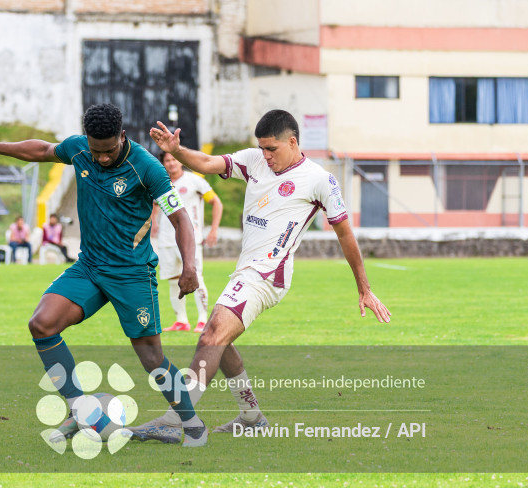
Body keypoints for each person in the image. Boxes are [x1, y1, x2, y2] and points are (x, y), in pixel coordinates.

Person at [129, 109, 391, 444]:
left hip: (268, 275)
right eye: (262, 149)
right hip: (246, 269)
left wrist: (364, 289)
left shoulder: (319, 179)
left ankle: (174, 419)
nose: (266, 156)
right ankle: (251, 416)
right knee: (220, 341)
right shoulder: (254, 160)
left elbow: (345, 235)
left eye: (272, 149)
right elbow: (209, 163)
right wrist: (177, 150)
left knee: (211, 335)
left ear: (292, 142)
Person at [0, 103, 208, 447]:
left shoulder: (147, 169)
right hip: (89, 267)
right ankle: (79, 407)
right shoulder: (79, 149)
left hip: (131, 273)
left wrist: (189, 266)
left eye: (109, 151)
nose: (101, 158)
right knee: (41, 324)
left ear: (122, 136)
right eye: (95, 151)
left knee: (151, 358)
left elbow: (180, 219)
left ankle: (193, 425)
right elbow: (43, 150)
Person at [152, 151, 223, 333]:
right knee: (173, 280)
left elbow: (216, 202)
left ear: (180, 161)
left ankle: (202, 320)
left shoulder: (195, 181)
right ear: (163, 164)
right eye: (167, 161)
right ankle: (181, 321)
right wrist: (153, 223)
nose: (171, 163)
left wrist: (213, 229)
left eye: (174, 159)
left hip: (189, 239)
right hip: (166, 240)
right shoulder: (160, 182)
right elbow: (154, 206)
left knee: (196, 276)